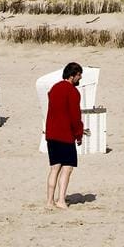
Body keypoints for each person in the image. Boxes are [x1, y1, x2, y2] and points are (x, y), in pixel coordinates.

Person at [45, 62, 85, 209]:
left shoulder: (54, 88)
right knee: (67, 168)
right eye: (79, 75)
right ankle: (61, 200)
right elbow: (75, 116)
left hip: (51, 133)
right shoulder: (73, 92)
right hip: (65, 135)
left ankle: (49, 201)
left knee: (54, 168)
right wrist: (79, 134)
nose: (80, 78)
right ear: (72, 75)